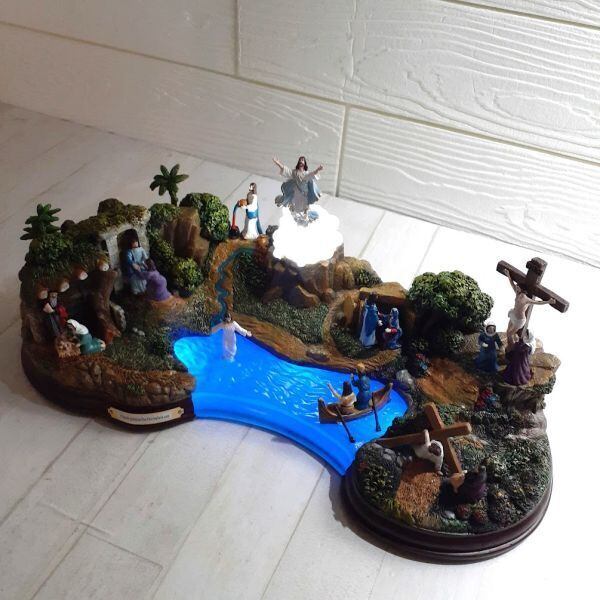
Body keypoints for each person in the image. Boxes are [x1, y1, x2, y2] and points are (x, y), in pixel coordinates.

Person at [504, 268, 555, 347]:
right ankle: (509, 346)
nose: (516, 288)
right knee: (507, 332)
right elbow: (512, 284)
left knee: (510, 334)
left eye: (518, 287)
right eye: (516, 287)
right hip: (513, 314)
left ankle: (512, 348)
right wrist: (508, 275)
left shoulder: (526, 299)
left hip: (519, 320)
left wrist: (548, 301)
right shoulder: (517, 293)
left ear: (522, 289)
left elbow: (537, 302)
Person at [273, 156, 323, 225]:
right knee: (295, 209)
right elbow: (286, 170)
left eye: (303, 160)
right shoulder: (294, 172)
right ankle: (297, 219)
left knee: (305, 208)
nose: (301, 161)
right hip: (296, 194)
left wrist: (318, 169)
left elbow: (312, 174)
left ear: (304, 163)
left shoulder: (306, 173)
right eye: (300, 160)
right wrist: (278, 163)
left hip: (304, 194)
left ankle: (307, 218)